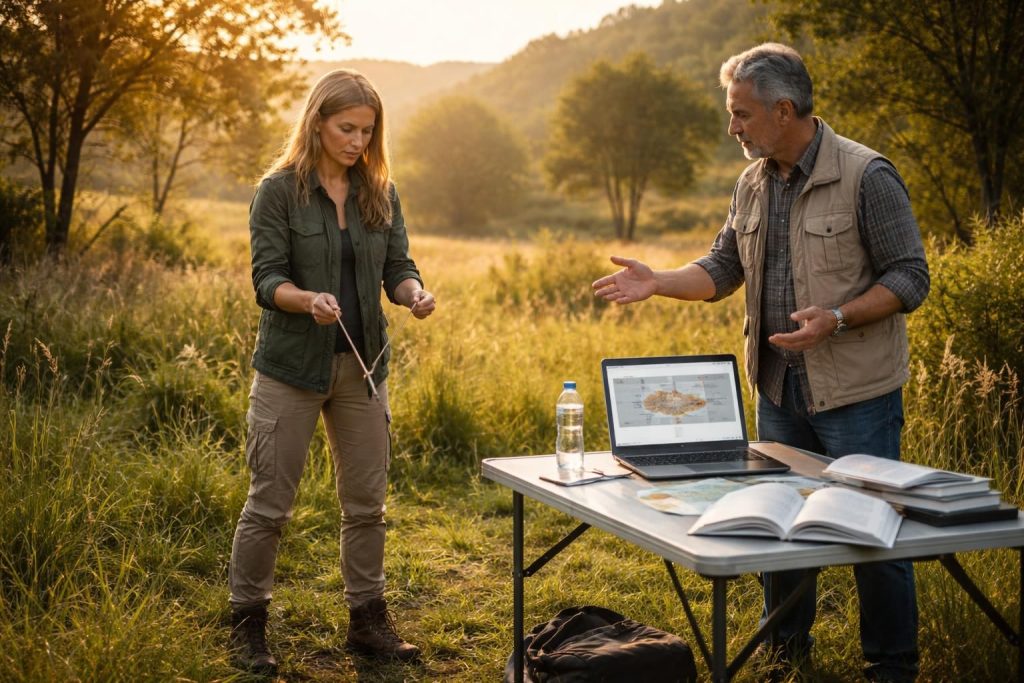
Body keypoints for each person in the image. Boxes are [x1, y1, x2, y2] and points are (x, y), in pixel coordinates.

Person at [593, 43, 929, 682]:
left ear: (783, 109)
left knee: (875, 536)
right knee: (780, 526)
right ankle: (785, 656)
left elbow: (911, 277)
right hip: (776, 391)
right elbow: (724, 268)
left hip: (857, 396)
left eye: (741, 114)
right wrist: (656, 280)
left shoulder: (867, 175)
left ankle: (891, 667)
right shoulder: (752, 181)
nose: (732, 128)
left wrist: (837, 318)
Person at [228, 68, 436, 675]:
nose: (358, 142)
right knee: (270, 503)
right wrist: (306, 299)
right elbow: (267, 280)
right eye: (347, 128)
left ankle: (368, 620)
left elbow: (398, 265)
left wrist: (415, 293)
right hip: (291, 369)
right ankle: (248, 623)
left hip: (363, 368)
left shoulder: (380, 191)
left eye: (368, 132)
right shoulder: (277, 192)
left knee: (367, 503)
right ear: (317, 121)